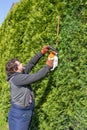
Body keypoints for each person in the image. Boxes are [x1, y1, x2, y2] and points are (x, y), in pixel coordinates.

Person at [5, 45, 55, 130]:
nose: (22, 64)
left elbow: (30, 64)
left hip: (19, 112)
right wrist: (48, 66)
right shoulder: (17, 79)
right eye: (19, 64)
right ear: (15, 69)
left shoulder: (19, 75)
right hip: (21, 114)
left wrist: (41, 53)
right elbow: (35, 77)